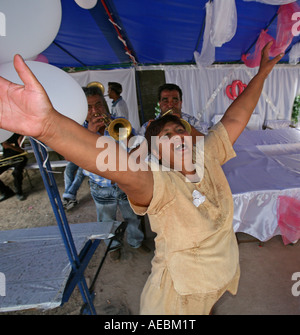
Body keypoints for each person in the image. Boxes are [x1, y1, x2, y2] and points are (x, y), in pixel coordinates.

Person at [0, 42, 282, 314]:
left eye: (179, 130)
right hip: (177, 299)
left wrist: (263, 73)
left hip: (220, 279)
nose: (177, 136)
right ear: (156, 153)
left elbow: (235, 118)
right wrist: (49, 126)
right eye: (166, 137)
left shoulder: (206, 156)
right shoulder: (160, 184)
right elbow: (117, 165)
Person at [82, 85, 146, 261]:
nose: (95, 110)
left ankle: (136, 242)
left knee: (132, 216)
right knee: (106, 221)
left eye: (98, 105)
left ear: (105, 105)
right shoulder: (80, 131)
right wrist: (91, 134)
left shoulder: (119, 122)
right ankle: (112, 247)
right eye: (89, 107)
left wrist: (129, 139)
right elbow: (84, 165)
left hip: (124, 182)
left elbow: (137, 149)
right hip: (100, 186)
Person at [137, 83, 208, 138]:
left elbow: (207, 144)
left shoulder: (193, 121)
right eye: (165, 101)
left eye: (175, 101)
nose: (170, 105)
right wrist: (149, 134)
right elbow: (136, 155)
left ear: (181, 103)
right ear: (159, 103)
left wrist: (185, 126)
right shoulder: (147, 126)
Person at [0, 133, 28, 201]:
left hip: (19, 158)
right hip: (7, 160)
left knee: (16, 172)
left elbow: (22, 151)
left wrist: (10, 146)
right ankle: (6, 192)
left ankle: (19, 192)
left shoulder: (18, 135)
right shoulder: (2, 136)